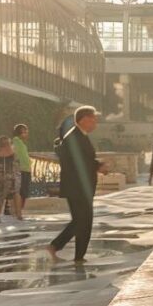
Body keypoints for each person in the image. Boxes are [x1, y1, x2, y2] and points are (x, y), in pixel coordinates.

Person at [49, 106, 104, 262]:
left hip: (80, 187)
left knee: (84, 221)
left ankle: (79, 256)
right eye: (93, 119)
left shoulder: (80, 135)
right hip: (77, 187)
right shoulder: (74, 137)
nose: (96, 122)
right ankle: (54, 246)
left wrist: (97, 165)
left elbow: (84, 160)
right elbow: (78, 163)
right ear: (84, 119)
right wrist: (97, 166)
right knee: (81, 220)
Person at [0, 136, 22, 222]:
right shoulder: (12, 150)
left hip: (6, 176)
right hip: (9, 176)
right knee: (13, 194)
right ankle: (18, 215)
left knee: (4, 195)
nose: (6, 145)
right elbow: (17, 163)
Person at [12, 124, 32, 217]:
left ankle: (18, 211)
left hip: (26, 170)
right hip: (21, 170)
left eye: (27, 131)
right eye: (25, 132)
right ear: (20, 133)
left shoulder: (22, 144)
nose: (27, 133)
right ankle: (17, 212)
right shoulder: (16, 141)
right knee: (21, 192)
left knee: (24, 193)